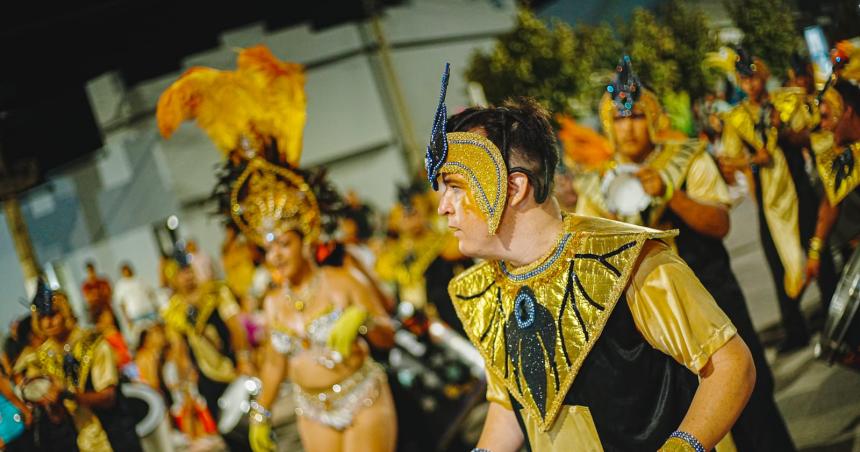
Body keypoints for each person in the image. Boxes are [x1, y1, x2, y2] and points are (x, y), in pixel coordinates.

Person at [424, 64, 755, 451]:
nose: (443, 208)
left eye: (455, 187)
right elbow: (514, 405)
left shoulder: (629, 263)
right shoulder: (486, 291)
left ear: (513, 188)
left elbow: (731, 365)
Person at [156, 45, 397, 452]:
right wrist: (261, 411)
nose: (278, 256)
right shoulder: (272, 303)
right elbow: (274, 362)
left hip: (362, 397)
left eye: (285, 244)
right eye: (269, 250)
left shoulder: (343, 280)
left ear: (306, 240)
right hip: (311, 409)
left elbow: (388, 335)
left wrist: (365, 325)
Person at [575, 56, 795, 451]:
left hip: (712, 293)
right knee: (688, 416)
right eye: (620, 118)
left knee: (751, 402)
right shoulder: (595, 185)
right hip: (651, 321)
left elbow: (719, 224)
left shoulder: (687, 157)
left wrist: (669, 193)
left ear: (653, 118)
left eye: (638, 116)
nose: (629, 127)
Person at [718, 48, 836, 352]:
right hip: (768, 199)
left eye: (754, 78)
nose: (750, 85)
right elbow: (730, 160)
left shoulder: (788, 100)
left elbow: (809, 136)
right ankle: (795, 328)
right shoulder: (737, 117)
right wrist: (751, 161)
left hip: (798, 187)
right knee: (775, 260)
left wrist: (781, 132)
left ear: (763, 76)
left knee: (816, 250)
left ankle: (834, 314)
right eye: (744, 80)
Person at [14, 279, 143, 452]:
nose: (48, 322)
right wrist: (50, 402)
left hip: (112, 434)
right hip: (76, 440)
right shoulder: (41, 358)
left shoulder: (94, 343)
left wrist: (67, 394)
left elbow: (108, 398)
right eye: (42, 317)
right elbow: (56, 416)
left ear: (65, 313)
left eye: (53, 314)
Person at [114, 262, 159, 347]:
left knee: (153, 334)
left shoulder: (140, 280)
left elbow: (151, 293)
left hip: (148, 311)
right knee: (140, 338)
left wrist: (155, 308)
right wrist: (127, 318)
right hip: (135, 315)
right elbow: (121, 304)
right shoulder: (121, 285)